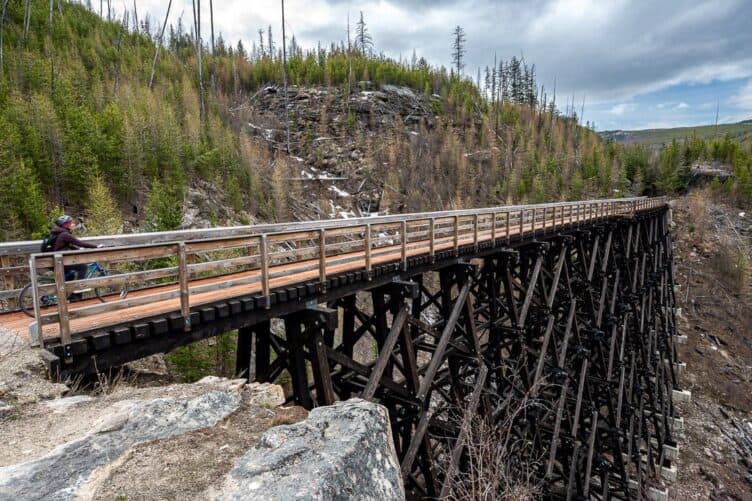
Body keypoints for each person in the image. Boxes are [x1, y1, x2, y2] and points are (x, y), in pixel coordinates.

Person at [46, 215, 101, 282]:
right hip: (60, 261)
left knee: (71, 276)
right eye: (71, 223)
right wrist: (96, 246)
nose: (73, 224)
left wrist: (77, 249)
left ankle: (75, 292)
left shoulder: (59, 233)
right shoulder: (64, 234)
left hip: (58, 259)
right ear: (65, 224)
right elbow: (80, 243)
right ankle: (80, 286)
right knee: (83, 267)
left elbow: (66, 245)